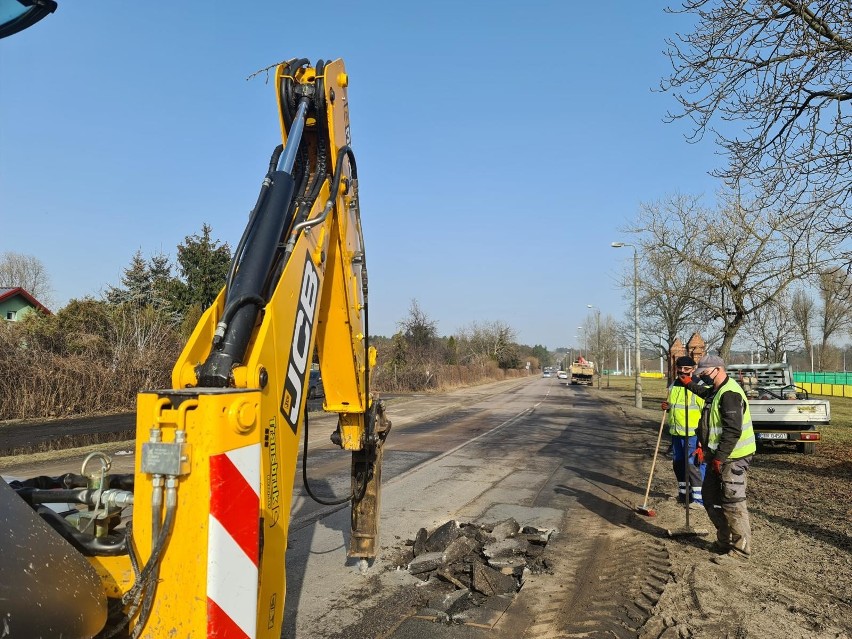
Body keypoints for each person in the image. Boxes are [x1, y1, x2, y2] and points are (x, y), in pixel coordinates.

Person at [689, 354, 756, 564]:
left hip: (733, 457)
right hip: (718, 457)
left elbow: (732, 431)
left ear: (718, 369)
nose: (703, 378)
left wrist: (719, 458)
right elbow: (704, 392)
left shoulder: (729, 394)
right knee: (711, 498)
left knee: (733, 503)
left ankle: (740, 552)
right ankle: (724, 541)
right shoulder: (717, 391)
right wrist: (687, 383)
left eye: (705, 374)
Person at [662, 356, 705, 506]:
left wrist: (702, 438)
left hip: (693, 434)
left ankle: (699, 498)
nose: (682, 372)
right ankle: (683, 494)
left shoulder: (701, 386)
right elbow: (674, 406)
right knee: (678, 463)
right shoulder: (674, 385)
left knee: (693, 465)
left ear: (693, 369)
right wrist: (668, 407)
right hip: (676, 432)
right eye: (680, 369)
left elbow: (705, 413)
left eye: (686, 369)